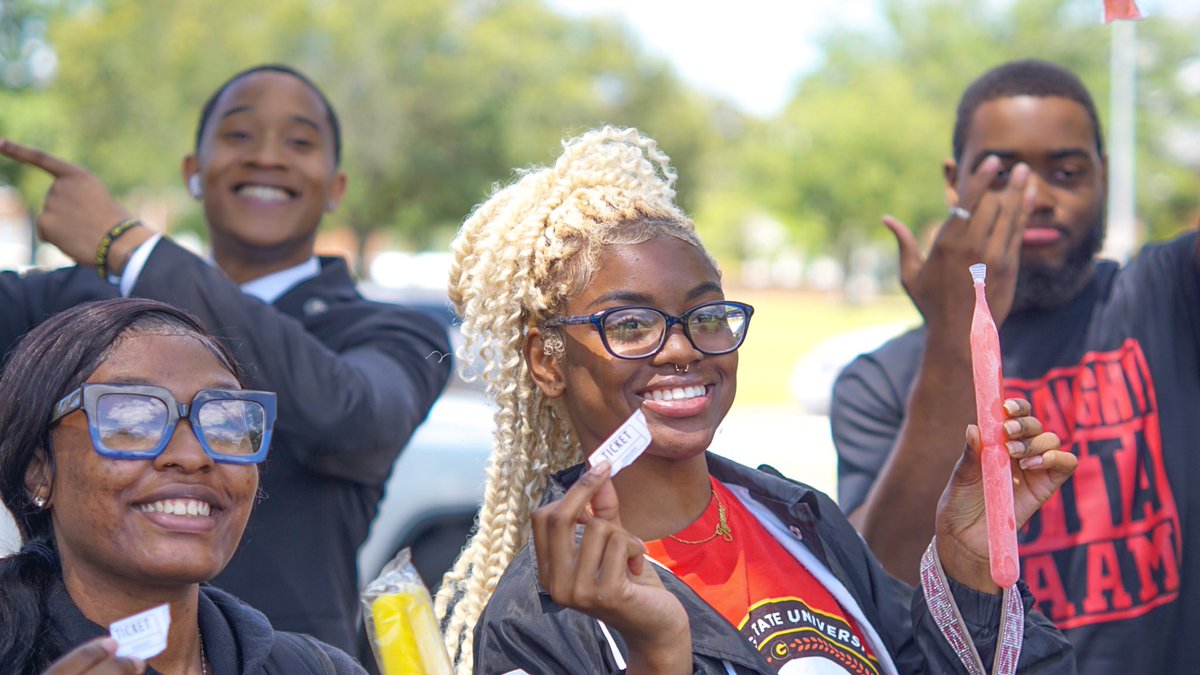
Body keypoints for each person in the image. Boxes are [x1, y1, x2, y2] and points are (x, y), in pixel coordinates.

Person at [431, 125, 1076, 674]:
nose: (682, 349)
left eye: (705, 315)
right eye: (629, 325)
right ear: (548, 361)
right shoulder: (542, 616)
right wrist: (658, 652)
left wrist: (970, 570)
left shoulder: (797, 521)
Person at [0, 64, 452, 653]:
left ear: (337, 186)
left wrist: (131, 247)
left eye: (299, 141)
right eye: (239, 135)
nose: (267, 156)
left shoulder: (394, 331)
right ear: (192, 172)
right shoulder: (83, 305)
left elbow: (355, 417)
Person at [831, 59, 1200, 672]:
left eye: (1067, 171)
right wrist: (956, 340)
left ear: (1103, 178)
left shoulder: (1166, 298)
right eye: (1002, 173)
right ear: (955, 183)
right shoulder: (879, 382)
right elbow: (876, 594)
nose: (1033, 196)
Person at [0, 297, 365, 674]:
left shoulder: (316, 668)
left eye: (224, 422)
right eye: (134, 419)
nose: (193, 457)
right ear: (38, 469)